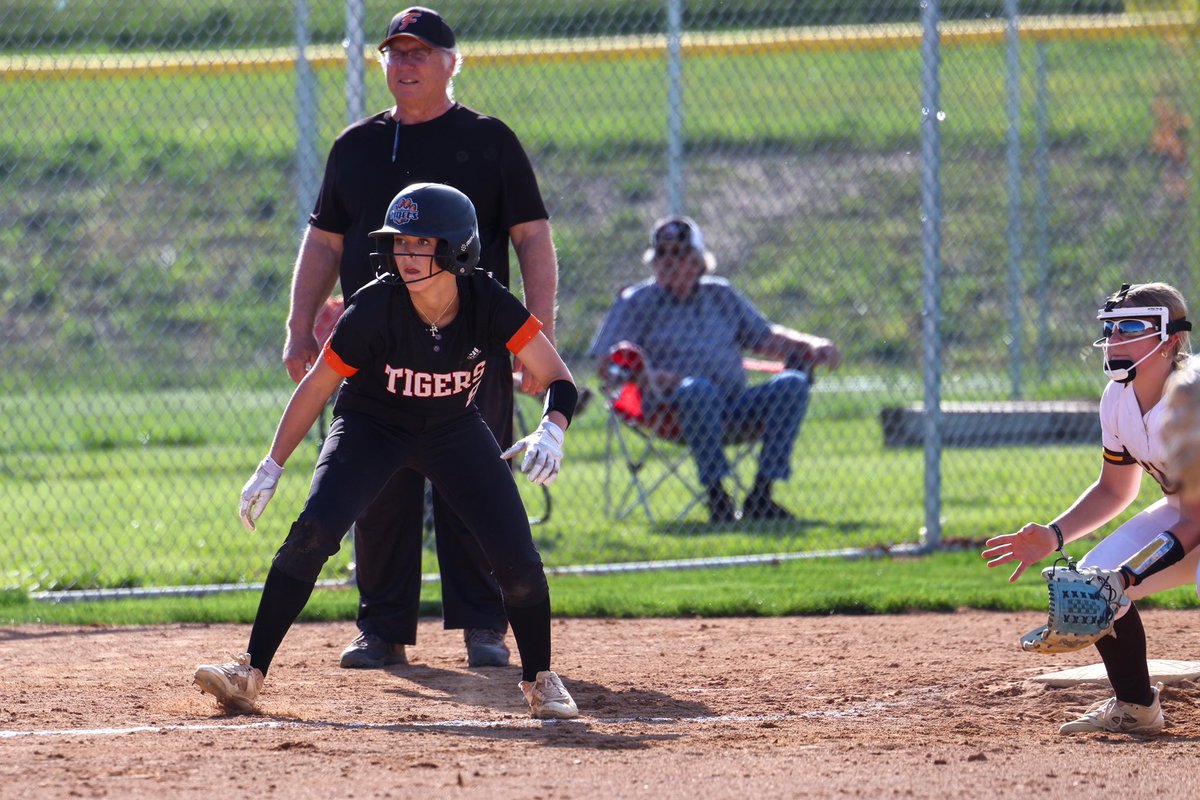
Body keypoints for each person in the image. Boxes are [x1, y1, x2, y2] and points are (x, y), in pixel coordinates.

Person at [194, 183, 579, 720]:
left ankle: (540, 680)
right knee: (314, 531)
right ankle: (248, 672)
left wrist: (551, 430)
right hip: (371, 425)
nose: (408, 254)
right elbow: (316, 387)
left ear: (458, 249)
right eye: (400, 243)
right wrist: (272, 465)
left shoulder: (487, 301)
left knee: (516, 560)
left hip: (453, 427)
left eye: (423, 243)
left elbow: (559, 380)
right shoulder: (374, 306)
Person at [282, 6, 560, 670]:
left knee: (475, 481)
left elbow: (532, 238)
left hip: (469, 347)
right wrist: (299, 326)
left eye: (419, 53)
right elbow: (323, 243)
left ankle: (484, 625)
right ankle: (382, 628)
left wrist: (536, 338)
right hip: (374, 346)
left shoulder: (489, 141)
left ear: (450, 64)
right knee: (374, 486)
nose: (403, 64)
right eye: (394, 54)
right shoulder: (357, 146)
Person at [981, 281, 1200, 735]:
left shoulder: (1193, 398)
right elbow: (1115, 488)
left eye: (1132, 328)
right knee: (1092, 584)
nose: (1115, 340)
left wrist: (1128, 575)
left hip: (1193, 517)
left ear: (1172, 339)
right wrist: (1054, 535)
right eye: (1112, 328)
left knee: (1117, 583)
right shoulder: (1117, 397)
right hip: (1186, 512)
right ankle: (1137, 709)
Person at [588, 215, 841, 523]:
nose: (667, 261)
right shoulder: (637, 302)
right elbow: (606, 363)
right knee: (696, 390)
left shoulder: (721, 295)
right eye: (661, 254)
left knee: (792, 384)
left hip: (735, 407)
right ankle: (717, 497)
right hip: (670, 411)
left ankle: (761, 495)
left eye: (678, 253)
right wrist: (646, 378)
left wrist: (811, 344)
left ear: (697, 262)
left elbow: (764, 337)